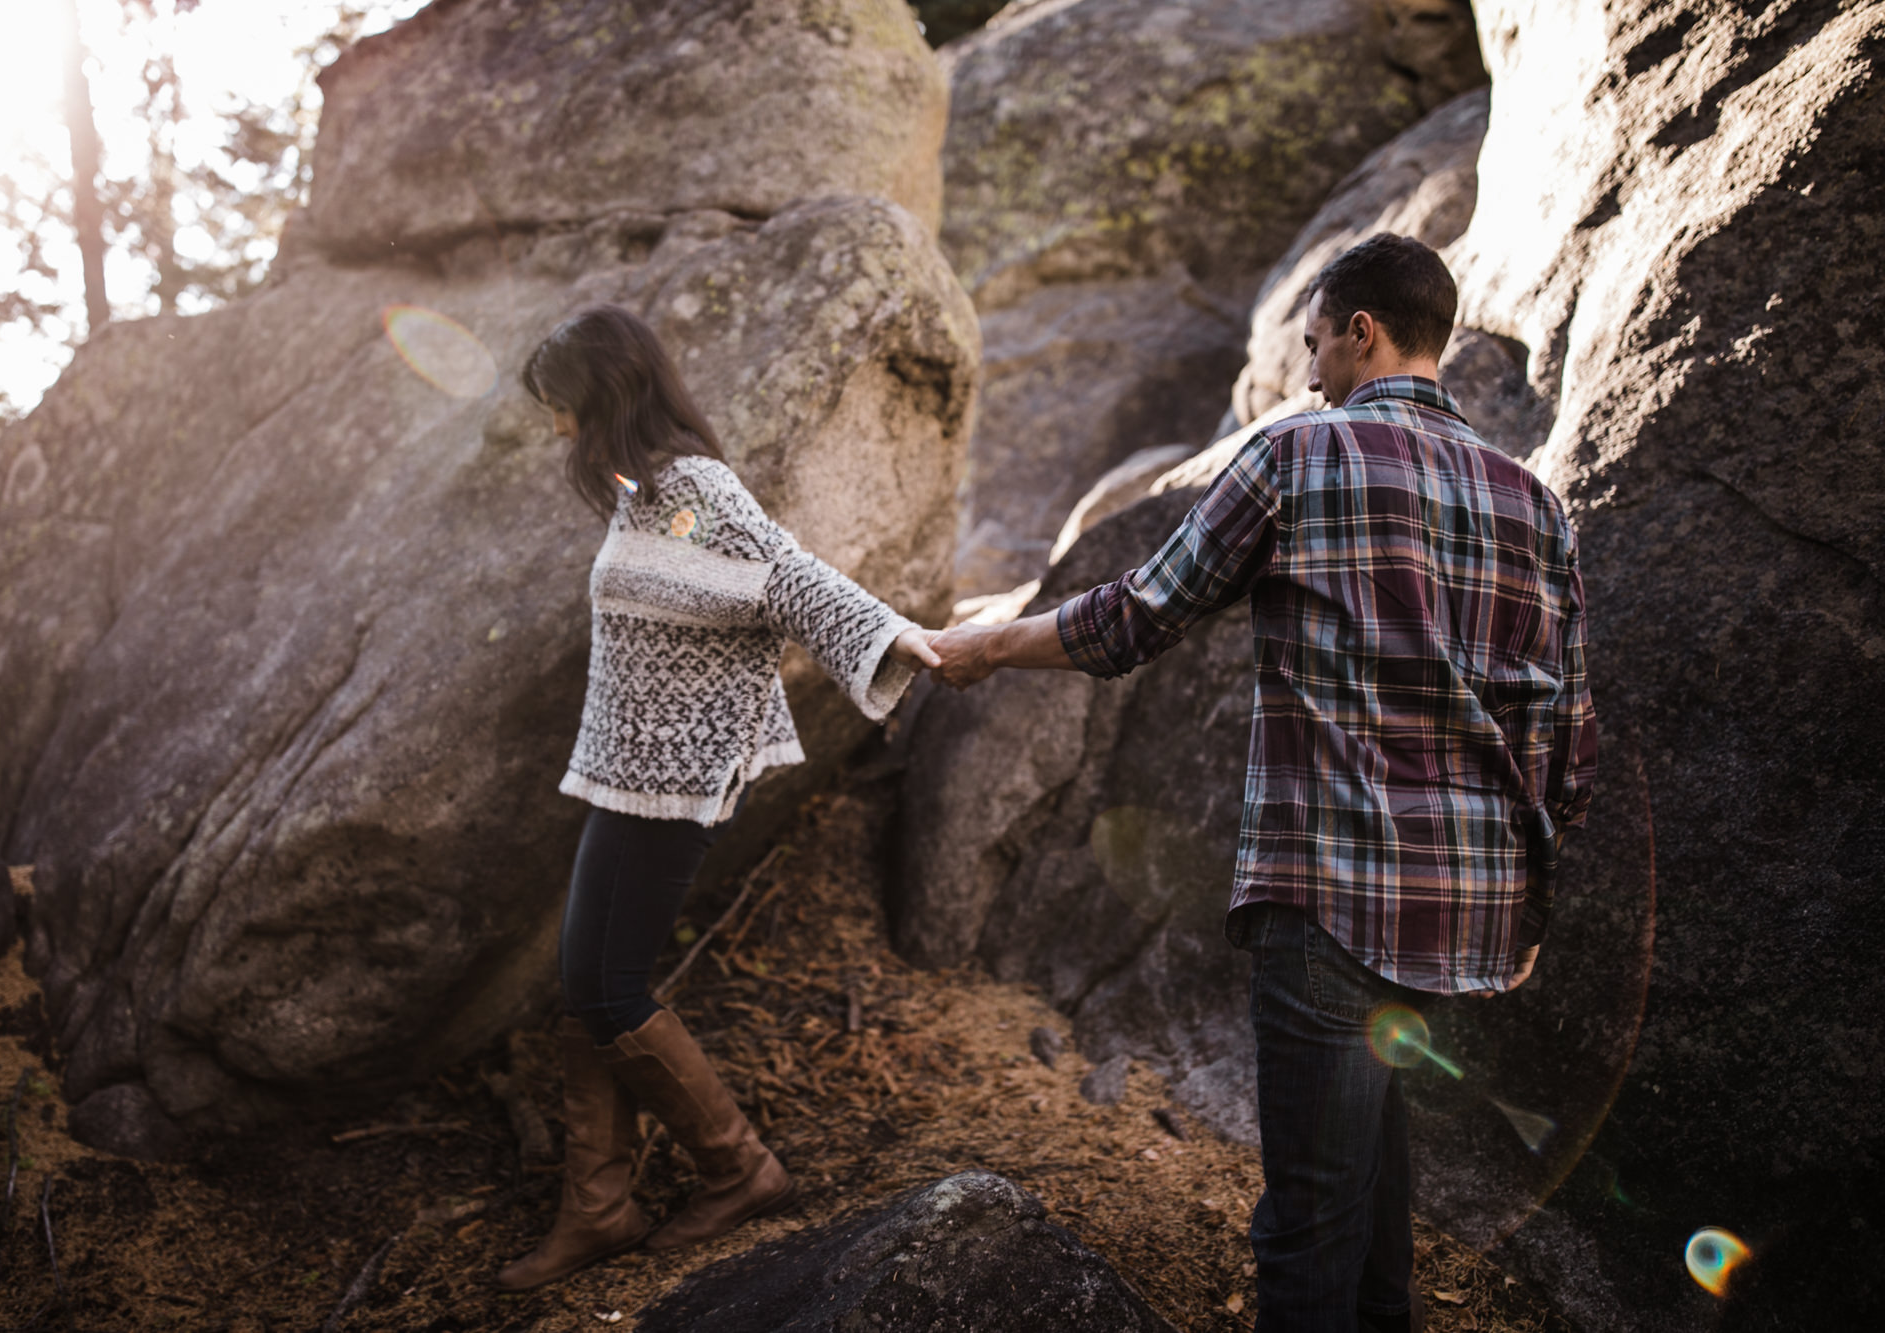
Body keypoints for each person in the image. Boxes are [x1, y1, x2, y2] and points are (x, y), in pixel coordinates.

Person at [928, 234, 1596, 1333]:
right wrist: (1524, 896)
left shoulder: (1299, 455)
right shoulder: (1534, 502)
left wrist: (990, 646)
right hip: (1461, 912)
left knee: (1307, 1221)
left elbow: (1136, 615)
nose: (1305, 373)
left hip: (1335, 892)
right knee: (1371, 1177)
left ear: (1360, 331)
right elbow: (1567, 737)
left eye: (1313, 343)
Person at [496, 305, 940, 1290]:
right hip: (628, 772)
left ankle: (738, 1169)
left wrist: (892, 635)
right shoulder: (640, 493)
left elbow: (782, 576)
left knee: (605, 987)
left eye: (560, 409)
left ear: (600, 397)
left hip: (678, 776)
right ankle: (599, 1209)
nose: (555, 431)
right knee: (586, 984)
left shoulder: (693, 485)